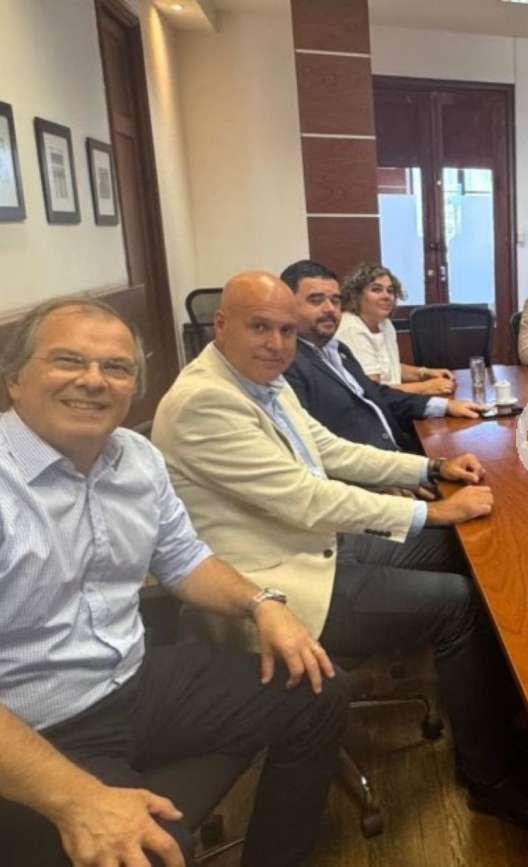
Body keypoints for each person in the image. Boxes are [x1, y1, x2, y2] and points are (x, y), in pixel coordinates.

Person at [152, 271, 528, 828]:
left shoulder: (259, 379)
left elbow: (329, 450)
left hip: (319, 548)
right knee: (461, 604)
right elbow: (307, 498)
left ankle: (507, 719)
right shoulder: (205, 401)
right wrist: (432, 511)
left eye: (285, 331)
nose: (276, 343)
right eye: (259, 327)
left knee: (466, 552)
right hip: (277, 584)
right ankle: (491, 780)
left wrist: (431, 467)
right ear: (221, 326)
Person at [0, 297, 347, 867]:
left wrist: (264, 603)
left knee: (317, 693)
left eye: (117, 368)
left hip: (133, 682)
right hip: (37, 727)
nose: (94, 381)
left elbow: (185, 558)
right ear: (15, 378)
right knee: (150, 850)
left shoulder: (136, 457)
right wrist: (78, 799)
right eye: (68, 361)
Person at [281, 260, 484, 454]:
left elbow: (375, 392)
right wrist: (427, 387)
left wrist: (444, 405)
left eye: (335, 300)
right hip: (372, 463)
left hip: (393, 447)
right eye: (316, 300)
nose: (330, 308)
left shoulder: (337, 348)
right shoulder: (289, 364)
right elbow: (323, 449)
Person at [336, 262, 454, 394]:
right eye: (376, 290)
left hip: (393, 401)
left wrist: (425, 373)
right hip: (372, 405)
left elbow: (389, 369)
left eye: (390, 291)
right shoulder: (351, 328)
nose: (386, 296)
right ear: (356, 296)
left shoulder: (385, 324)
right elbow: (372, 391)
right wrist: (426, 387)